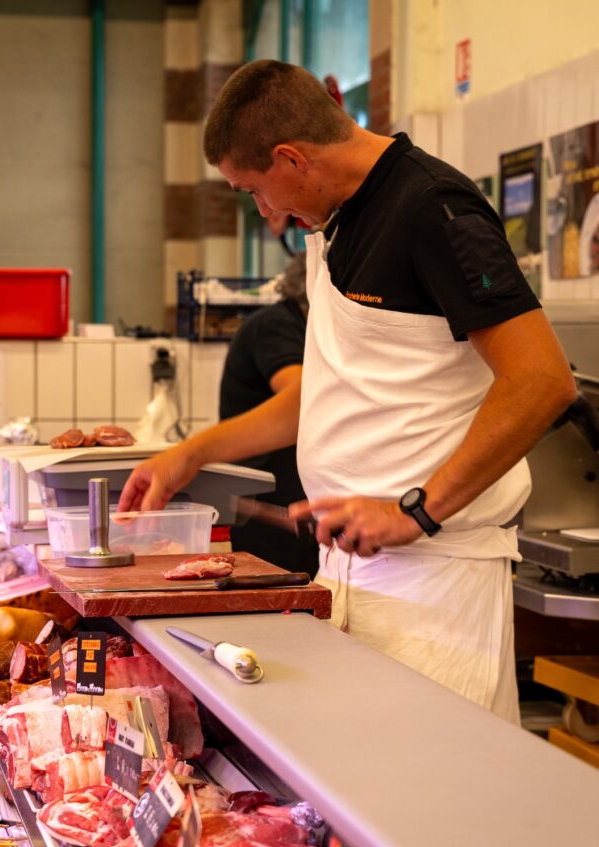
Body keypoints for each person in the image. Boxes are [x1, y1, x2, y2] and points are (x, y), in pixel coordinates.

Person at [119, 60, 576, 725]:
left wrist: (413, 510)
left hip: (431, 577)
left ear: (291, 159)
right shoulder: (336, 222)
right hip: (350, 571)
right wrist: (189, 455)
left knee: (425, 799)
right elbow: (329, 396)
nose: (265, 214)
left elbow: (540, 380)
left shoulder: (431, 209)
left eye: (254, 191)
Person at [219, 252, 319, 578]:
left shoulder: (304, 329)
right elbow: (302, 397)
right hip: (270, 513)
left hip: (295, 509)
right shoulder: (277, 326)